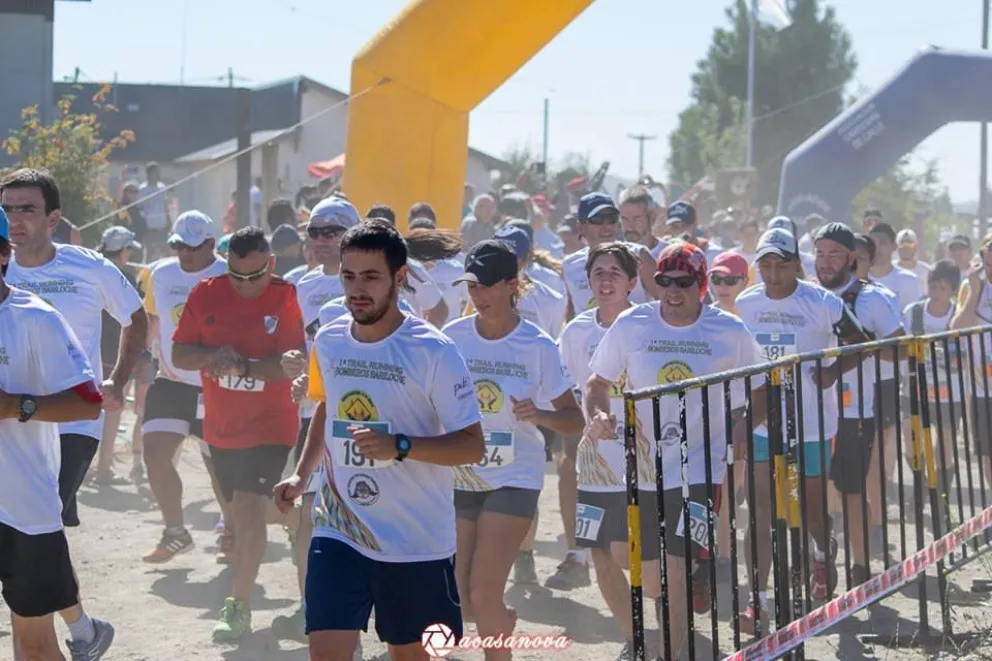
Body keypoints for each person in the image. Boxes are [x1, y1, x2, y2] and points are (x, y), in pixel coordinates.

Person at [274, 220, 485, 661]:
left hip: (415, 541)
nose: (357, 289)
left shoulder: (434, 350)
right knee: (325, 651)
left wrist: (401, 446)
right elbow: (327, 410)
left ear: (400, 278)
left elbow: (471, 446)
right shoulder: (329, 341)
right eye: (348, 276)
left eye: (371, 277)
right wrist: (300, 474)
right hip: (340, 527)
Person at [586, 241, 764, 660]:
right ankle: (691, 584)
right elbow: (597, 383)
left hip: (700, 467)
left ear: (701, 285)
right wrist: (597, 415)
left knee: (677, 569)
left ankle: (671, 653)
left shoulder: (729, 331)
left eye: (684, 282)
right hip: (643, 467)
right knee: (649, 578)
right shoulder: (633, 324)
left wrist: (744, 422)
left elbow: (763, 386)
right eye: (665, 280)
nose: (673, 289)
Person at [2, 167, 148, 659]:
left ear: (54, 217)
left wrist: (118, 381)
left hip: (72, 421)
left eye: (26, 209)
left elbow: (135, 317)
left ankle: (54, 631)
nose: (15, 219)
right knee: (31, 531)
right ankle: (82, 627)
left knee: (35, 525)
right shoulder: (5, 271)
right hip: (14, 433)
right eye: (7, 209)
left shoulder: (88, 267)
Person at [445, 239, 583, 660]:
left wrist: (540, 415)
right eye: (472, 286)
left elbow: (574, 420)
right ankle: (502, 622)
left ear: (512, 285)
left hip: (514, 476)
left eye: (486, 286)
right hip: (460, 473)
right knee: (462, 601)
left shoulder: (537, 345)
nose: (478, 296)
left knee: (483, 594)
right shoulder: (450, 338)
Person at [735, 227, 872, 630]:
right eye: (766, 264)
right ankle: (756, 600)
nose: (773, 273)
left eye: (781, 264)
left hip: (812, 423)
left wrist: (831, 372)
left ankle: (820, 553)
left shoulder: (823, 302)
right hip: (763, 421)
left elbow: (859, 342)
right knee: (758, 510)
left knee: (812, 507)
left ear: (797, 263)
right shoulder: (745, 302)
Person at [172, 226, 305, 641]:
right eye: (237, 276)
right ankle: (299, 517)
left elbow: (288, 367)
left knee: (247, 512)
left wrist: (242, 366)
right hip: (222, 431)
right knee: (248, 514)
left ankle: (237, 608)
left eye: (255, 276)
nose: (246, 286)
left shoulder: (285, 297)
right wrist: (213, 356)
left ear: (271, 264)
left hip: (272, 427)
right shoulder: (205, 293)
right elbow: (179, 353)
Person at [0, 207, 108, 661]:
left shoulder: (35, 319)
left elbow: (88, 402)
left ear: (3, 254)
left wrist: (18, 405)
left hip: (23, 508)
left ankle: (84, 632)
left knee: (34, 644)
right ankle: (87, 629)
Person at [560, 242, 656, 661]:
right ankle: (634, 639)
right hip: (597, 462)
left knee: (636, 555)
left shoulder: (650, 325)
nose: (605, 280)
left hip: (649, 462)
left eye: (615, 273)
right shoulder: (576, 331)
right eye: (598, 272)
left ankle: (669, 620)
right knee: (602, 555)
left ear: (633, 282)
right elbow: (569, 392)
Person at [272, 195, 359, 640]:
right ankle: (313, 610)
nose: (322, 240)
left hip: (367, 423)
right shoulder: (297, 285)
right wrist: (295, 365)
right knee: (309, 519)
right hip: (314, 416)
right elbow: (297, 351)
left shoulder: (388, 284)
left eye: (332, 231)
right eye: (315, 232)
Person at [813, 222, 904, 583]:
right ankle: (819, 562)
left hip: (853, 411)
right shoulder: (806, 295)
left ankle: (861, 567)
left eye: (835, 254)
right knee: (812, 491)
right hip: (809, 412)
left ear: (852, 258)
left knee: (851, 491)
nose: (826, 262)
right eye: (820, 253)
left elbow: (900, 350)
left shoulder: (872, 298)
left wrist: (862, 346)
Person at [139, 211, 230, 564]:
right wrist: (145, 359)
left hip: (216, 387)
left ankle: (232, 531)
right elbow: (153, 319)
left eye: (192, 247)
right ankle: (176, 532)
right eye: (178, 245)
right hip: (172, 381)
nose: (184, 253)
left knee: (219, 469)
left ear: (210, 243)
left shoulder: (227, 274)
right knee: (154, 452)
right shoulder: (159, 273)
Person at [94, 226, 142, 485]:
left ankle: (93, 465)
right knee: (112, 411)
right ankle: (103, 468)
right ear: (123, 250)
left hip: (91, 350)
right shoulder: (125, 276)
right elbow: (136, 317)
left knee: (87, 410)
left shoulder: (94, 268)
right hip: (116, 352)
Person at [903, 260, 960, 477]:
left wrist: (954, 360)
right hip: (914, 388)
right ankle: (920, 483)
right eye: (932, 286)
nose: (935, 292)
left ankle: (942, 495)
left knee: (945, 446)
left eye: (942, 288)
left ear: (953, 291)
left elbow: (968, 355)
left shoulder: (958, 316)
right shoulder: (913, 312)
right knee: (911, 441)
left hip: (948, 392)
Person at [561, 193, 657, 317]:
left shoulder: (640, 256)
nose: (606, 227)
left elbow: (664, 303)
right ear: (581, 227)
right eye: (597, 220)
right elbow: (572, 311)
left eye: (611, 218)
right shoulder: (569, 265)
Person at [951, 234, 992, 484]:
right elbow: (956, 329)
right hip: (982, 387)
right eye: (988, 264)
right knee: (988, 453)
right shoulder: (972, 286)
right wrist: (975, 290)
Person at [619, 185, 666, 260]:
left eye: (636, 219)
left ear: (652, 218)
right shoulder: (615, 256)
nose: (630, 227)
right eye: (624, 219)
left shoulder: (668, 254)